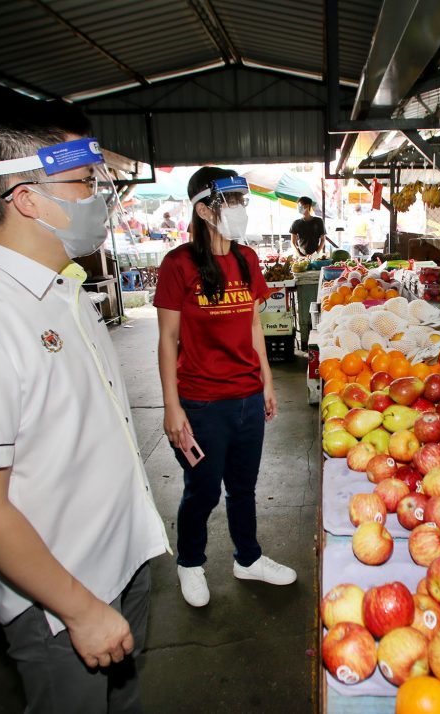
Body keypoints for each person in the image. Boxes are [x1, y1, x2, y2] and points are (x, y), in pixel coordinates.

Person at [0, 97, 170, 714]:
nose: (98, 196)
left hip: (121, 564)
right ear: (27, 197)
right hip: (61, 603)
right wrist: (80, 610)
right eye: (83, 181)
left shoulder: (66, 289)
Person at [154, 166, 296, 608]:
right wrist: (171, 407)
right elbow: (167, 339)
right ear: (203, 210)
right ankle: (190, 562)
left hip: (247, 398)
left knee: (243, 486)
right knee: (202, 489)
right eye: (229, 201)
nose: (239, 210)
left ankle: (247, 558)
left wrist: (267, 382)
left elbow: (254, 322)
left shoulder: (246, 259)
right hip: (201, 402)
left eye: (241, 201)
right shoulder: (178, 265)